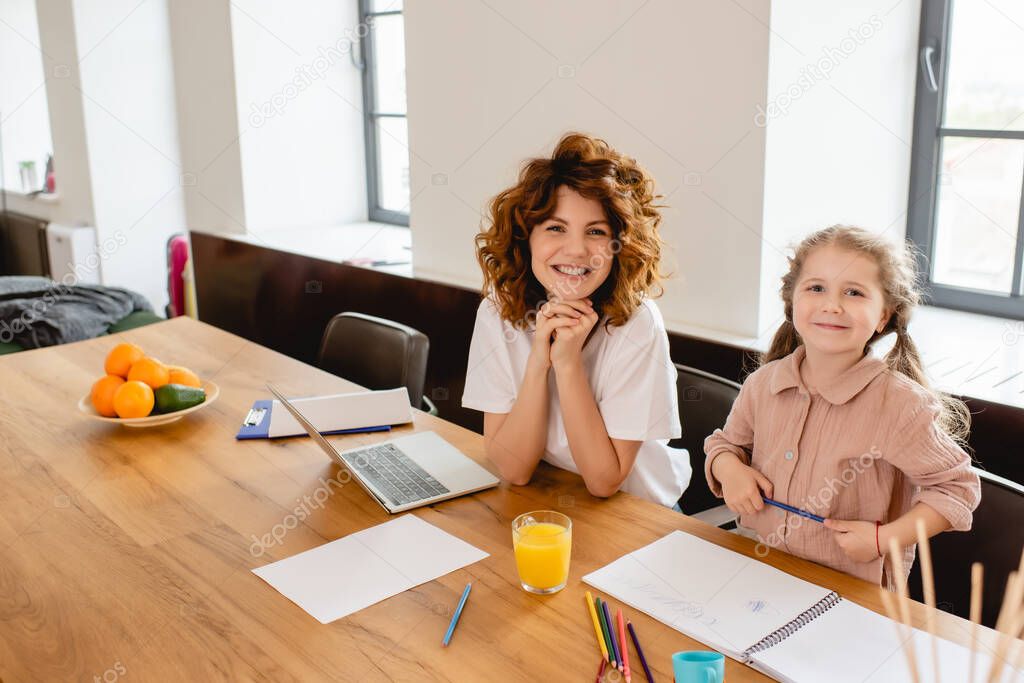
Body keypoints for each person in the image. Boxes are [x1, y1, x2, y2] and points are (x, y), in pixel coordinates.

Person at [705, 225, 980, 585]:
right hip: (760, 567)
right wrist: (729, 469)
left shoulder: (899, 405)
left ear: (883, 316)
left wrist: (884, 539)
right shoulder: (763, 383)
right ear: (792, 303)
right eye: (816, 288)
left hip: (852, 592)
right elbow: (726, 445)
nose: (831, 305)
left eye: (854, 293)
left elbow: (957, 488)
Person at [462, 132, 690, 507]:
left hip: (639, 514)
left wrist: (567, 363)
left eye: (596, 232)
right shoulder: (498, 310)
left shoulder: (638, 323)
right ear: (526, 237)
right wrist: (540, 358)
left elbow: (604, 480)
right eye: (555, 227)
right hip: (551, 493)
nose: (577, 250)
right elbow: (513, 468)